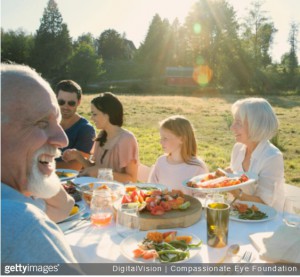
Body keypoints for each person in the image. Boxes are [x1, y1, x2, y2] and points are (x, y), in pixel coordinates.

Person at [1, 63, 77, 263]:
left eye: (58, 123)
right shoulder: (25, 226)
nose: (63, 140)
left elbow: (63, 207)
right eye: (42, 123)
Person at [62, 92, 139, 183]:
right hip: (98, 190)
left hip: (117, 194)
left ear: (107, 115)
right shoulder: (101, 136)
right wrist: (79, 157)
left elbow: (131, 179)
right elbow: (95, 169)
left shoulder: (126, 139)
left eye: (94, 114)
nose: (91, 118)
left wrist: (100, 173)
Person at [228, 97, 285, 211]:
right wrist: (227, 175)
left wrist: (235, 192)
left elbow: (264, 203)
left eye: (238, 123)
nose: (232, 127)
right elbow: (237, 178)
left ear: (256, 125)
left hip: (265, 222)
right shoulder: (238, 148)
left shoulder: (272, 157)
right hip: (238, 215)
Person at [149, 115, 208, 192]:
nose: (161, 142)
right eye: (161, 137)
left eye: (165, 138)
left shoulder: (197, 167)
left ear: (182, 139)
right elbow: (151, 190)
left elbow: (202, 198)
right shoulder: (161, 162)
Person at [55, 80, 96, 171]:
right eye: (61, 102)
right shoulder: (45, 122)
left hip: (68, 182)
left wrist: (38, 167)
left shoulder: (86, 130)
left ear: (79, 102)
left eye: (71, 103)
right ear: (55, 99)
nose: (66, 107)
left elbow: (74, 168)